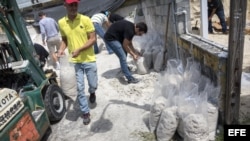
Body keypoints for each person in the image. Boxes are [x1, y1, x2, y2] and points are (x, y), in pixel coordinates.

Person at [57, 0, 98, 125]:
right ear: (65, 5)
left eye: (75, 4)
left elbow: (93, 39)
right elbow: (65, 39)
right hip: (74, 61)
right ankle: (85, 112)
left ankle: (92, 91)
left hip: (89, 58)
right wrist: (60, 50)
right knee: (80, 88)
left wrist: (80, 49)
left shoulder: (85, 19)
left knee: (93, 84)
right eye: (71, 5)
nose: (74, 7)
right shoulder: (61, 22)